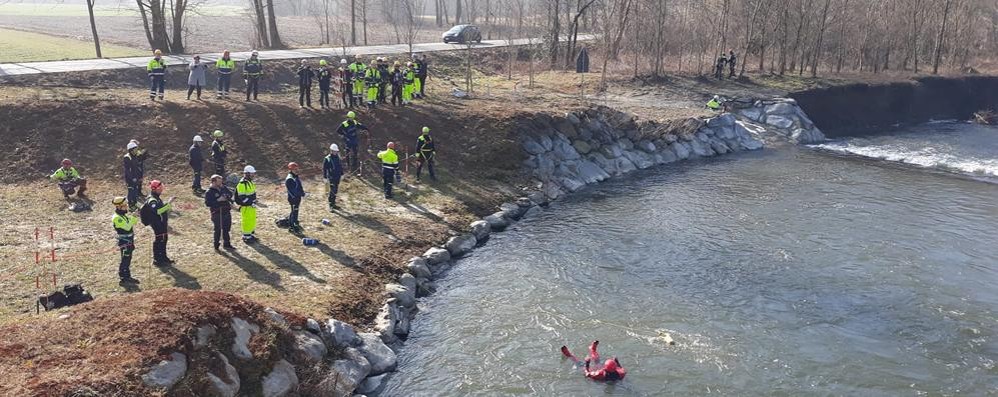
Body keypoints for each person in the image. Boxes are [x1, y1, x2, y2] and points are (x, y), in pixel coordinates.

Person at [141, 180, 174, 266]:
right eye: (160, 188)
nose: (161, 190)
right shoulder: (152, 200)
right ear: (154, 189)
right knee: (159, 240)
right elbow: (158, 211)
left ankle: (163, 257)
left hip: (161, 222)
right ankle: (157, 259)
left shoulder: (156, 197)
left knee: (164, 238)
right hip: (156, 223)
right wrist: (168, 204)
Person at [111, 196, 140, 284]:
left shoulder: (122, 215)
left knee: (128, 258)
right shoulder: (117, 217)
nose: (126, 207)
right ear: (119, 207)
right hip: (124, 241)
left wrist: (133, 217)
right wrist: (134, 217)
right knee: (125, 259)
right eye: (124, 206)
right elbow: (127, 227)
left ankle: (127, 275)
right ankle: (123, 277)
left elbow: (132, 223)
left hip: (129, 240)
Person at [205, 174, 236, 251]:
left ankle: (227, 244)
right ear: (214, 182)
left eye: (221, 181)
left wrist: (227, 196)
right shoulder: (209, 192)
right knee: (218, 229)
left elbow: (230, 194)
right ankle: (216, 245)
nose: (221, 183)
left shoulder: (223, 187)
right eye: (219, 182)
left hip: (226, 211)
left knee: (226, 228)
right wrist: (218, 200)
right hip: (217, 213)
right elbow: (208, 203)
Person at [236, 165, 259, 243]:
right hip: (246, 207)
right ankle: (246, 236)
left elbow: (252, 193)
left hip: (251, 206)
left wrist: (254, 201)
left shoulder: (250, 182)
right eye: (252, 173)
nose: (253, 175)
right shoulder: (242, 184)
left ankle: (250, 234)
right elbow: (242, 197)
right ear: (247, 173)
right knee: (246, 221)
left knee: (252, 220)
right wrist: (250, 202)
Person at [123, 140, 148, 210]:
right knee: (131, 190)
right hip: (130, 178)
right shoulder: (127, 157)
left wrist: (139, 176)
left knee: (135, 190)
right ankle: (131, 205)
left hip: (136, 176)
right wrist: (132, 178)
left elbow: (138, 166)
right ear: (130, 150)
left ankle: (135, 203)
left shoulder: (135, 156)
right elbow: (127, 170)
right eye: (135, 149)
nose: (136, 150)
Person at [285, 162, 305, 234]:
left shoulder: (295, 176)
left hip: (297, 197)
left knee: (295, 211)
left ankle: (294, 223)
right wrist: (301, 194)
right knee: (294, 211)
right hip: (293, 198)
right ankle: (292, 227)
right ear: (291, 169)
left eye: (297, 169)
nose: (297, 170)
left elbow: (299, 186)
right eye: (295, 169)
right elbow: (293, 191)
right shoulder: (290, 179)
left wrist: (302, 192)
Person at [323, 143, 343, 211]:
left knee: (335, 190)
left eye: (336, 151)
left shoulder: (338, 157)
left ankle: (334, 203)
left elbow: (340, 166)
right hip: (331, 177)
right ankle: (330, 205)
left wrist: (342, 174)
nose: (336, 152)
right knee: (332, 191)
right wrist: (325, 177)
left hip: (337, 177)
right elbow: (324, 169)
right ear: (331, 151)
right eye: (334, 151)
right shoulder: (327, 158)